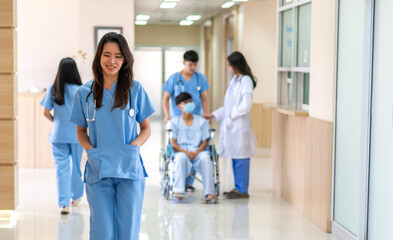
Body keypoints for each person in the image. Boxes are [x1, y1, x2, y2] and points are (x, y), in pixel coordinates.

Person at [69, 32, 155, 239]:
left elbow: (146, 129)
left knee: (128, 232)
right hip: (99, 170)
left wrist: (133, 148)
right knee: (102, 232)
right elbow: (81, 131)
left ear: (125, 59)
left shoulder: (135, 89)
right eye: (107, 55)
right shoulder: (84, 92)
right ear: (99, 57)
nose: (112, 61)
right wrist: (90, 151)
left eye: (118, 56)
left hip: (129, 169)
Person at [203, 51, 257, 199]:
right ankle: (238, 188)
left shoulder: (246, 81)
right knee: (235, 155)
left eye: (229, 65)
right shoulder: (235, 80)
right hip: (232, 125)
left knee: (241, 157)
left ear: (235, 65)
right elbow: (228, 105)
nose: (228, 68)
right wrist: (214, 114)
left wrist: (232, 115)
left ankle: (242, 190)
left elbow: (246, 105)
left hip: (239, 125)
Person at [40, 57, 83, 215]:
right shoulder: (81, 90)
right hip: (77, 135)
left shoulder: (54, 88)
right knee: (76, 167)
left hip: (58, 135)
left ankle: (64, 204)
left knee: (61, 169)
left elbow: (45, 112)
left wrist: (55, 120)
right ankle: (76, 196)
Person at [163, 50, 210, 192]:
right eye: (190, 64)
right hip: (178, 119)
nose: (193, 68)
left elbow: (204, 98)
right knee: (181, 147)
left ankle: (189, 182)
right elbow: (166, 98)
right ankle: (179, 180)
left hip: (196, 119)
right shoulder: (174, 79)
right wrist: (167, 115)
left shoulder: (200, 78)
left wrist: (206, 114)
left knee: (195, 145)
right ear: (184, 63)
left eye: (195, 65)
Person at [170, 92, 217, 204]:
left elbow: (205, 141)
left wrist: (196, 152)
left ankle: (210, 192)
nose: (189, 104)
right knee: (180, 158)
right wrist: (186, 152)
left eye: (190, 101)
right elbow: (174, 143)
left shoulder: (202, 122)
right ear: (179, 106)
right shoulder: (174, 122)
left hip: (198, 152)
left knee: (206, 158)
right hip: (182, 152)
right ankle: (178, 191)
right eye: (185, 102)